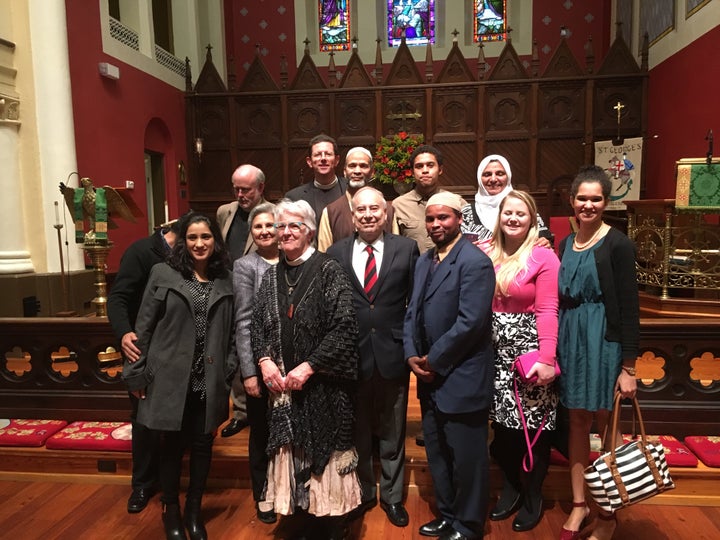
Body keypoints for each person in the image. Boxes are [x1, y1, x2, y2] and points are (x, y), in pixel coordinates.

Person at [251, 199, 361, 539]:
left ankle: (330, 517)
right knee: (290, 448)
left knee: (323, 449)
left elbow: (345, 327)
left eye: (293, 226)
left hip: (321, 385)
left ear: (310, 231)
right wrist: (264, 360)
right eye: (280, 226)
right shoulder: (271, 275)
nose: (284, 232)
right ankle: (301, 511)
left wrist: (310, 366)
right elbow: (256, 326)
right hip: (283, 387)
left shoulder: (329, 269)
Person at [123, 212, 237, 540]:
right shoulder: (163, 273)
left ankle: (194, 510)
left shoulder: (226, 278)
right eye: (192, 238)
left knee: (203, 446)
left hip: (209, 380)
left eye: (206, 237)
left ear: (215, 241)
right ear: (182, 241)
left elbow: (232, 335)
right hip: (170, 378)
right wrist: (136, 375)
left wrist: (227, 372)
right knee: (171, 446)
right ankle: (171, 509)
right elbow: (143, 328)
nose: (199, 244)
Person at [404, 191, 496, 540]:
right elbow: (412, 311)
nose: (436, 224)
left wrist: (434, 359)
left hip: (461, 375)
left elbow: (471, 322)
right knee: (438, 451)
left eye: (443, 218)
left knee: (467, 456)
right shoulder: (425, 260)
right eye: (430, 219)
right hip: (428, 376)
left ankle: (469, 524)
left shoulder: (475, 262)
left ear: (459, 219)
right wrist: (412, 355)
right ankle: (447, 515)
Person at [327, 187, 419, 528]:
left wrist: (412, 347)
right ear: (353, 216)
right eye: (361, 209)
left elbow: (415, 302)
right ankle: (363, 492)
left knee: (393, 430)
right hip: (352, 355)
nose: (367, 214)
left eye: (374, 209)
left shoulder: (406, 249)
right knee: (358, 429)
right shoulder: (336, 252)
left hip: (393, 353)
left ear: (386, 214)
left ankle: (392, 497)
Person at [557, 165, 639, 540]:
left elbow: (629, 307)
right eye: (582, 198)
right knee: (576, 421)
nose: (588, 205)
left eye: (596, 199)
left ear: (607, 202)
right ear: (572, 201)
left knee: (607, 424)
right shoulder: (564, 244)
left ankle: (608, 512)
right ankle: (579, 504)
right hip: (572, 337)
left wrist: (629, 367)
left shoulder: (618, 244)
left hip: (605, 340)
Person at [483, 190, 560, 532]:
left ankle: (532, 495)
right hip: (490, 352)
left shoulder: (543, 257)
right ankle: (511, 487)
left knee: (532, 428)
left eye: (521, 214)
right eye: (508, 213)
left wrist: (546, 357)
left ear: (532, 220)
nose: (513, 219)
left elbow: (547, 309)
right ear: (498, 216)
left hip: (528, 350)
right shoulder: (485, 252)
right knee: (502, 429)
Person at [108, 220, 178, 514]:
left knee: (175, 416)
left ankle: (170, 481)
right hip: (143, 345)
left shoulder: (189, 253)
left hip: (176, 346)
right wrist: (124, 332)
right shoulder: (140, 252)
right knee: (143, 417)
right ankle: (142, 484)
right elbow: (119, 297)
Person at [232, 202, 279, 525]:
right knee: (261, 432)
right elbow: (244, 321)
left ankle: (287, 488)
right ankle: (263, 492)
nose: (264, 231)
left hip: (291, 367)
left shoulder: (294, 259)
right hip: (259, 367)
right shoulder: (245, 265)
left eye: (269, 226)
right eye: (257, 227)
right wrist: (249, 372)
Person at [217, 164, 268, 438]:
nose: (240, 194)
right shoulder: (225, 212)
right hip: (229, 289)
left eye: (245, 189)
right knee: (235, 350)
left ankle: (264, 407)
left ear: (260, 188)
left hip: (260, 289)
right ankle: (240, 412)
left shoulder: (271, 213)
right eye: (236, 188)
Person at [461, 154, 552, 246]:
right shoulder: (467, 212)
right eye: (487, 174)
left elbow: (544, 238)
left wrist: (544, 242)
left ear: (508, 176)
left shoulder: (524, 206)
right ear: (479, 179)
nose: (493, 179)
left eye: (500, 174)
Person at [316, 147, 396, 252]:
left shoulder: (388, 210)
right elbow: (324, 256)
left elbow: (396, 250)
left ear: (372, 172)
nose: (357, 171)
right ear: (345, 171)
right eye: (352, 166)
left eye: (363, 166)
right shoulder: (331, 212)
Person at [393, 144, 466, 255]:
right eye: (419, 166)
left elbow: (468, 240)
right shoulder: (399, 205)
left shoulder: (456, 202)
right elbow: (394, 245)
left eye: (430, 165)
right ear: (412, 172)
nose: (425, 170)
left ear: (440, 170)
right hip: (414, 269)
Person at [285, 134, 348, 226]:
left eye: (328, 154)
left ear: (336, 160)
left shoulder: (352, 190)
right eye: (318, 155)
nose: (323, 158)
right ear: (309, 162)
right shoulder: (294, 197)